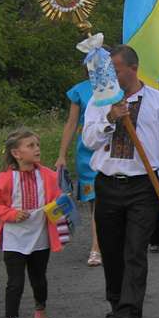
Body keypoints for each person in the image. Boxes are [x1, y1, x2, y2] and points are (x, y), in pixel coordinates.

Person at [82, 45, 159, 318]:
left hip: (144, 184)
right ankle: (116, 301)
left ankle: (130, 311)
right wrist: (110, 118)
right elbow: (88, 139)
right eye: (108, 69)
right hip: (108, 181)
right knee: (111, 249)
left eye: (114, 69)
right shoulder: (100, 100)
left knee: (135, 249)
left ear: (133, 68)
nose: (110, 75)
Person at [0, 129, 64, 318]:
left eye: (37, 144)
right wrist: (11, 214)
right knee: (15, 282)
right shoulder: (4, 179)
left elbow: (58, 201)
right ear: (16, 153)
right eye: (30, 146)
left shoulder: (49, 175)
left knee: (38, 278)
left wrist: (60, 207)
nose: (37, 148)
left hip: (40, 236)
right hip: (14, 238)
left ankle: (40, 310)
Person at [55, 72, 101, 266]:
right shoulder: (80, 90)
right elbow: (71, 123)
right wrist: (61, 155)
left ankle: (110, 242)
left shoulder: (117, 88)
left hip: (110, 148)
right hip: (86, 152)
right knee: (94, 201)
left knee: (112, 199)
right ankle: (96, 247)